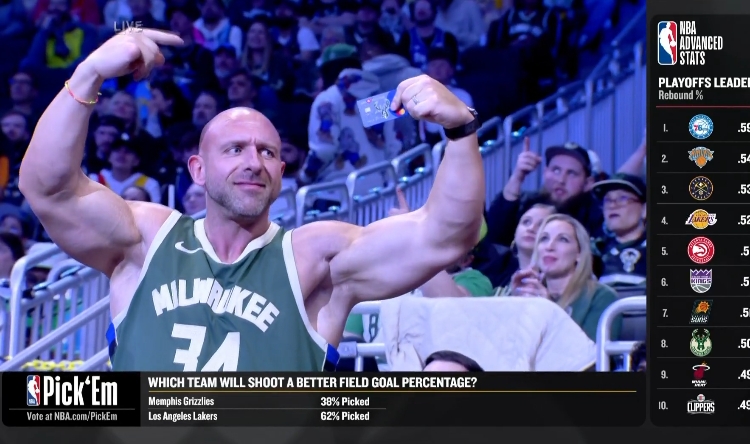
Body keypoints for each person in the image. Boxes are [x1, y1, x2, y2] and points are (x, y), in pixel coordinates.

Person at [19, 29, 485, 372]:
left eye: (267, 152)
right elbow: (48, 188)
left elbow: (444, 237)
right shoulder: (146, 239)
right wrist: (89, 73)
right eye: (235, 149)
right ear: (197, 170)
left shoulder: (315, 259)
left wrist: (461, 129)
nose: (253, 162)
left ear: (281, 174)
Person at [511, 214, 620, 342]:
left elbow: (589, 352)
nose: (549, 246)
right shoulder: (530, 295)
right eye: (544, 238)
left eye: (563, 239)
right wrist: (514, 304)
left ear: (579, 254)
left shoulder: (601, 297)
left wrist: (548, 309)